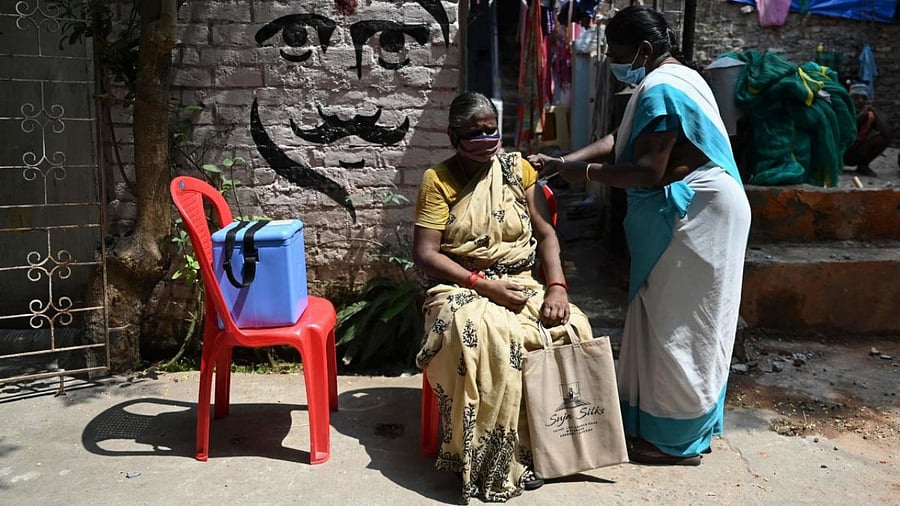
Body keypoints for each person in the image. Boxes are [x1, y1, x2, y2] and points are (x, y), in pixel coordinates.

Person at [529, 5, 751, 466]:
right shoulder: (676, 78)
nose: (614, 59)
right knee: (661, 320)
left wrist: (584, 172)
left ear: (645, 49)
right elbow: (622, 137)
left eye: (618, 51)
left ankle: (676, 440)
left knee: (680, 328)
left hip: (698, 215)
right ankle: (661, 426)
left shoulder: (664, 89)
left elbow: (648, 170)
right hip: (703, 209)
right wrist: (566, 162)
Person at [413, 91, 594, 502]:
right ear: (453, 135)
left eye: (491, 129)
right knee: (490, 340)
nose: (486, 138)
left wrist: (557, 287)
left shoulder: (516, 169)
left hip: (521, 281)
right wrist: (481, 284)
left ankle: (555, 447)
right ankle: (500, 457)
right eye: (474, 133)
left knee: (572, 327)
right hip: (461, 285)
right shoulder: (438, 180)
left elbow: (546, 234)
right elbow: (425, 254)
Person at [843, 83, 891, 177]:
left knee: (881, 139)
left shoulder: (869, 115)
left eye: (863, 98)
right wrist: (860, 118)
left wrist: (874, 111)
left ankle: (863, 166)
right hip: (841, 153)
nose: (860, 101)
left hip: (856, 151)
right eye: (856, 97)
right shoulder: (843, 109)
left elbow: (886, 133)